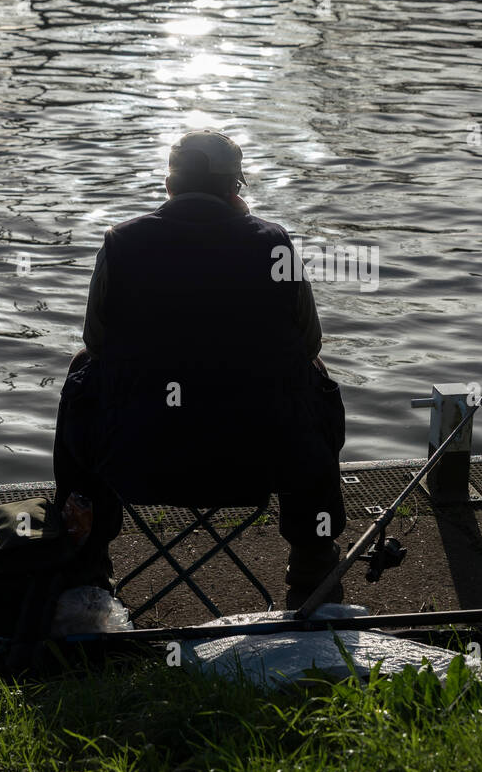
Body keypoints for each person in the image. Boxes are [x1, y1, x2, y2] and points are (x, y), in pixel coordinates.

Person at [53, 130, 347, 607]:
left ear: (169, 186)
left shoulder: (122, 241)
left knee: (83, 371)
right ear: (235, 188)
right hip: (261, 462)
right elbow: (309, 342)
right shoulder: (273, 242)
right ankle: (312, 570)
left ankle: (86, 564)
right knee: (312, 376)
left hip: (136, 459)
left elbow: (97, 342)